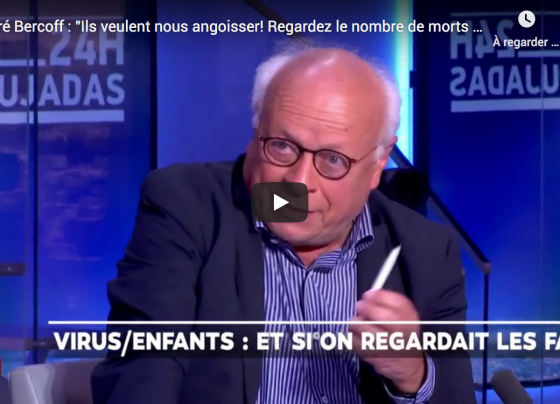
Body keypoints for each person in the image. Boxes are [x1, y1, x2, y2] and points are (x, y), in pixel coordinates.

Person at [91, 42, 476, 404]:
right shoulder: (187, 208)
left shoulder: (426, 252)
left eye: (333, 160)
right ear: (255, 134)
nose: (299, 183)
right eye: (282, 146)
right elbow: (143, 364)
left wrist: (412, 373)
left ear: (378, 164)